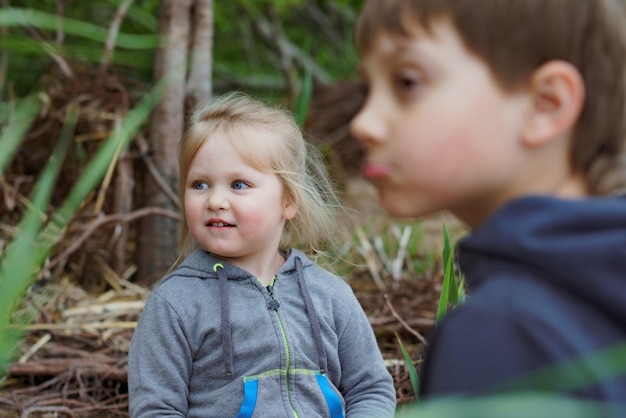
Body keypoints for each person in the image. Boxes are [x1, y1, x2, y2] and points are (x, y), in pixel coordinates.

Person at [351, 0, 626, 402]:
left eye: (407, 82)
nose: (363, 123)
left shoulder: (502, 335)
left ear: (545, 103)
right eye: (368, 88)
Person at [128, 93, 397, 417]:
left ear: (288, 200)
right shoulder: (175, 304)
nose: (215, 200)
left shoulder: (329, 294)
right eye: (199, 184)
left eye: (238, 184)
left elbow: (371, 388)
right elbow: (155, 409)